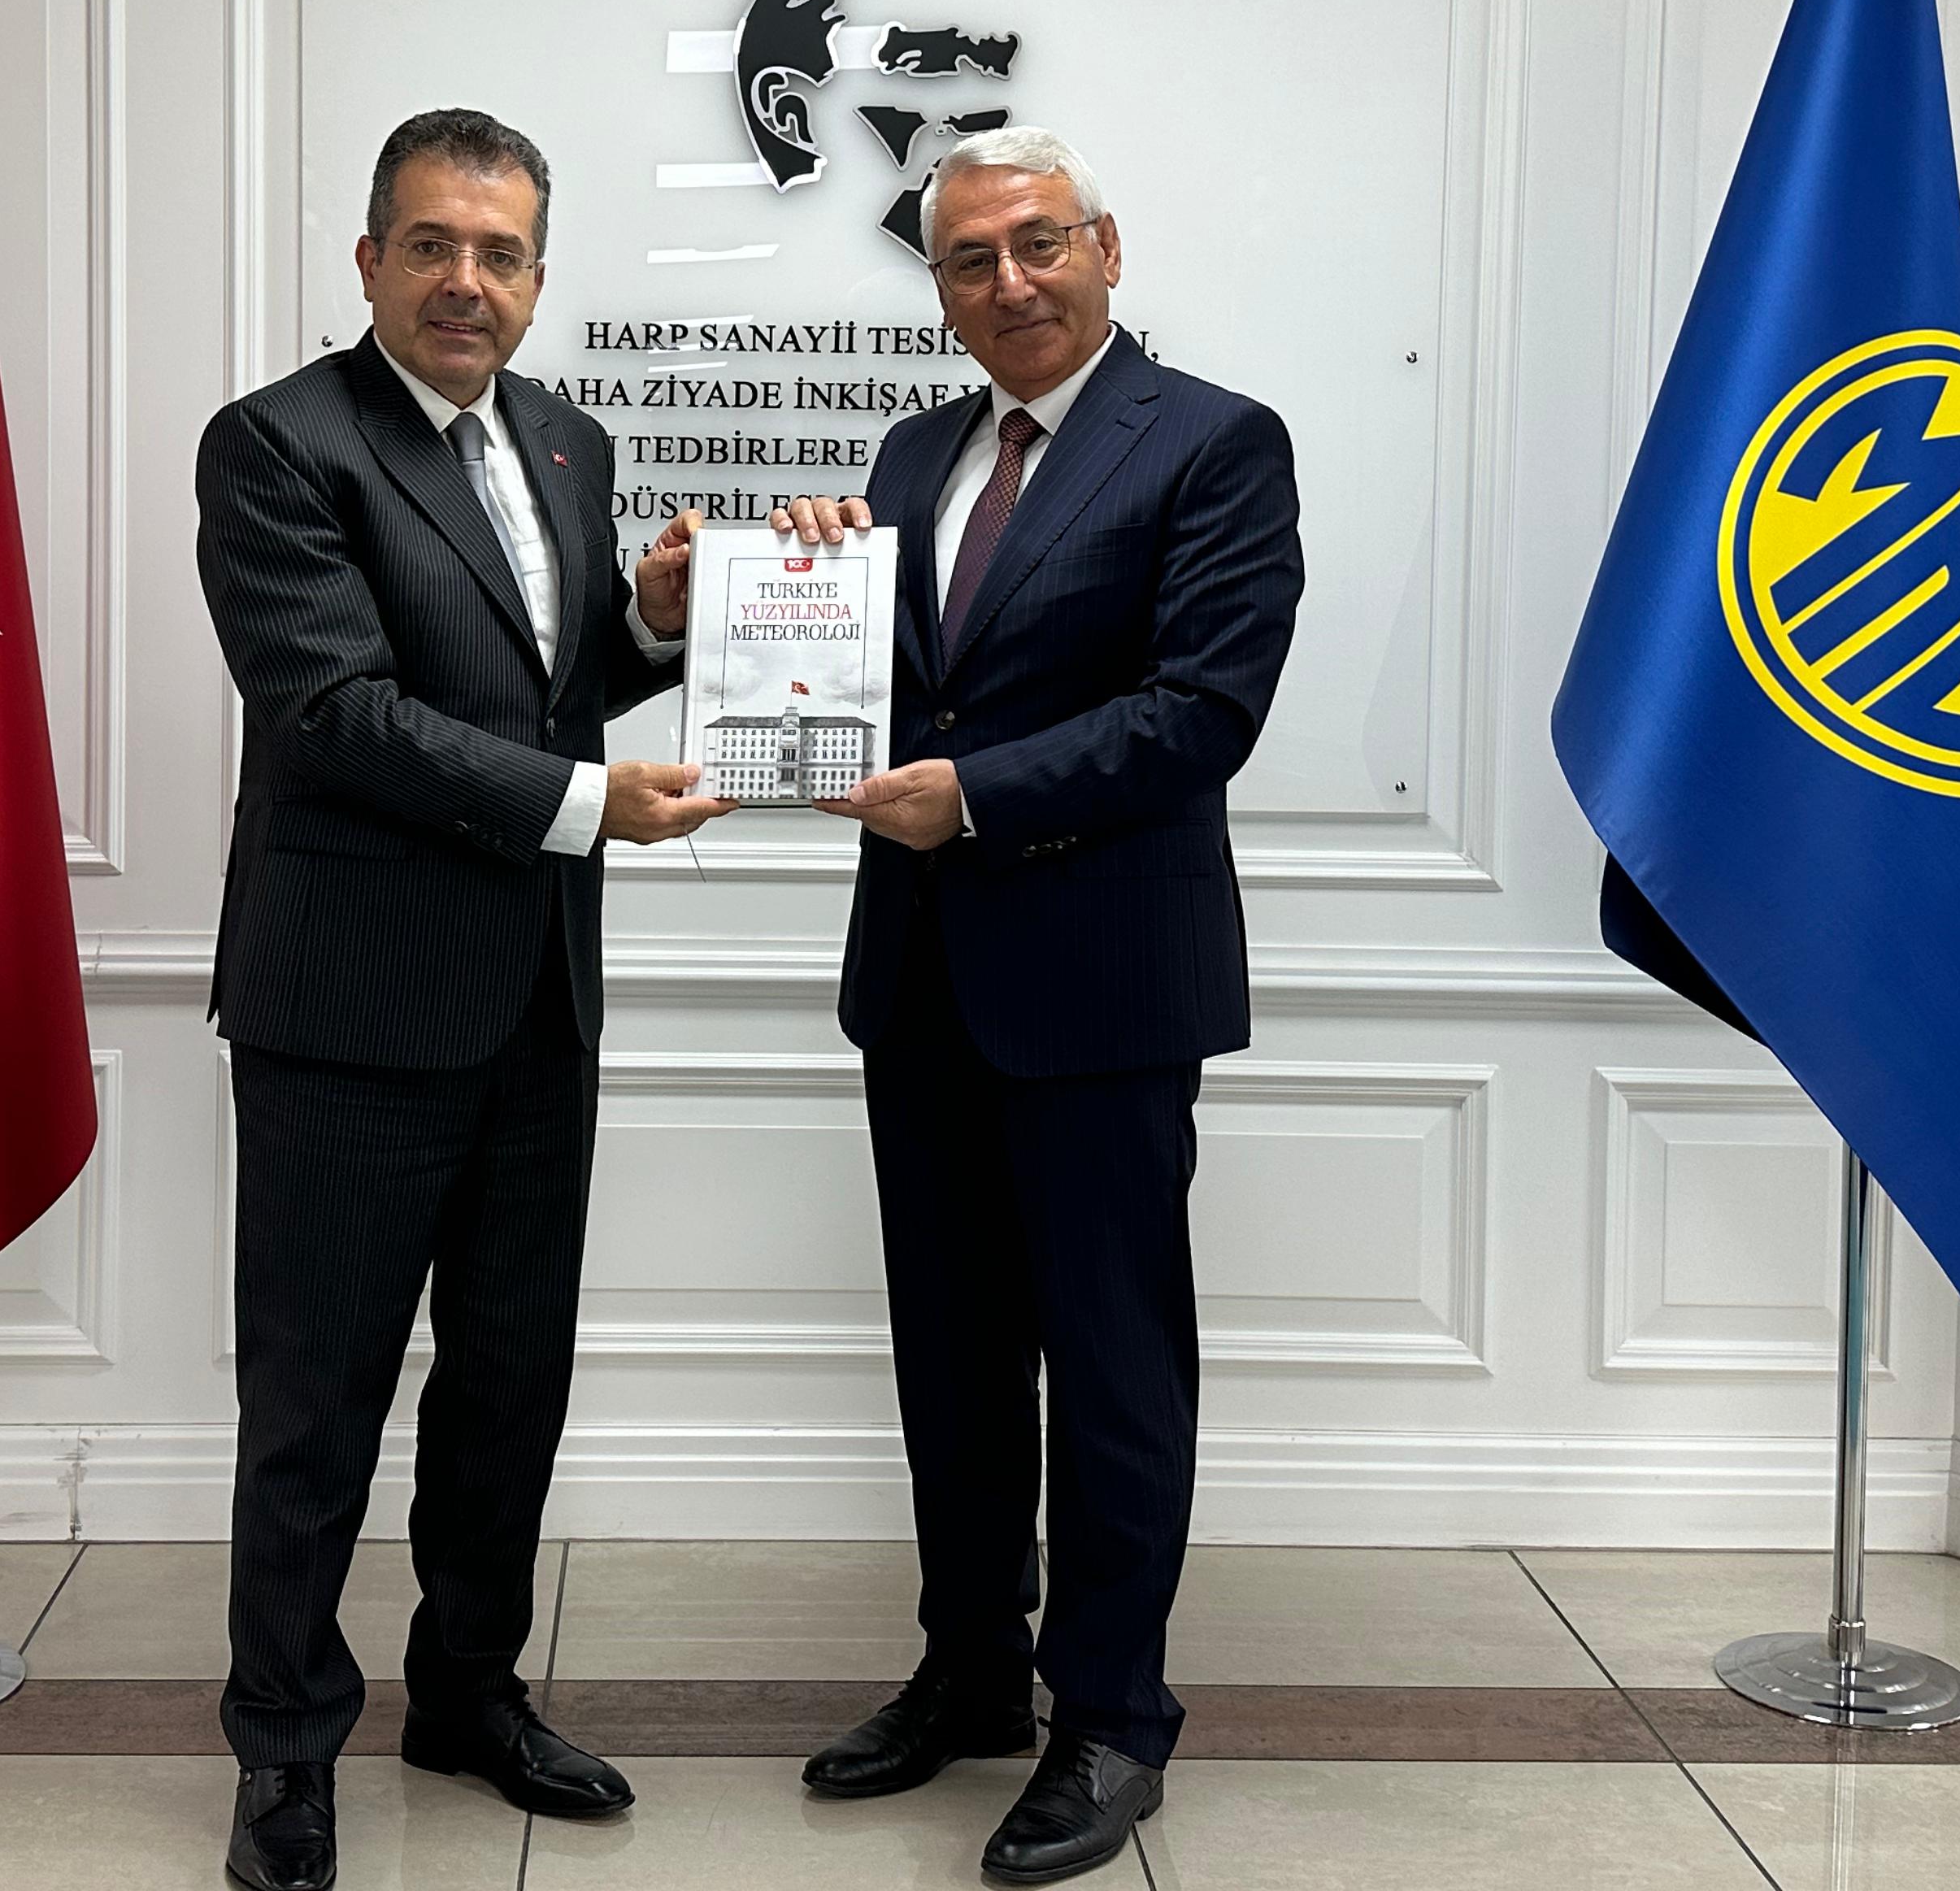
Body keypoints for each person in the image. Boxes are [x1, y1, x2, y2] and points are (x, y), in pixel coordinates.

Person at [195, 107, 729, 1891]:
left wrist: (652, 626)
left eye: (500, 254)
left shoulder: (567, 443)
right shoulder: (280, 445)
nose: (465, 281)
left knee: (509, 1386)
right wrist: (589, 805)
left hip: (535, 1008)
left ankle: (468, 1695)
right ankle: (285, 1749)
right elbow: (336, 712)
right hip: (350, 1013)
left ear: (539, 279)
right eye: (430, 244)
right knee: (318, 1406)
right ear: (370, 261)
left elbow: (546, 689)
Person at [776, 127, 1303, 1886]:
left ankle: (1114, 1716)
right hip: (921, 980)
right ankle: (969, 1673)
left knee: (1113, 1364)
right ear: (936, 288)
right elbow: (891, 687)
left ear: (1106, 248)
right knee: (952, 1362)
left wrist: (980, 798)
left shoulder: (1214, 443)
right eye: (968, 260)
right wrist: (801, 583)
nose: (1008, 283)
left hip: (1102, 987)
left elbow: (1203, 711)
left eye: (1038, 244)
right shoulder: (916, 452)